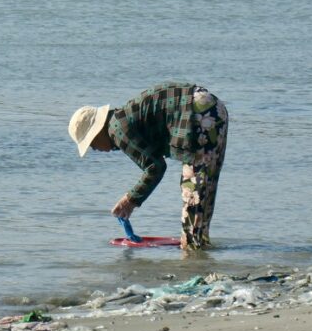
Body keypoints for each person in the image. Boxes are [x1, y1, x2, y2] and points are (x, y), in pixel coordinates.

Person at [68, 82, 228, 251]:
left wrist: (131, 199)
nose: (95, 149)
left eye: (92, 144)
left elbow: (155, 167)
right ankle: (200, 252)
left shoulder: (117, 130)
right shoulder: (122, 119)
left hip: (197, 113)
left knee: (193, 189)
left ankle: (192, 253)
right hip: (213, 107)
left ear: (97, 131)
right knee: (206, 185)